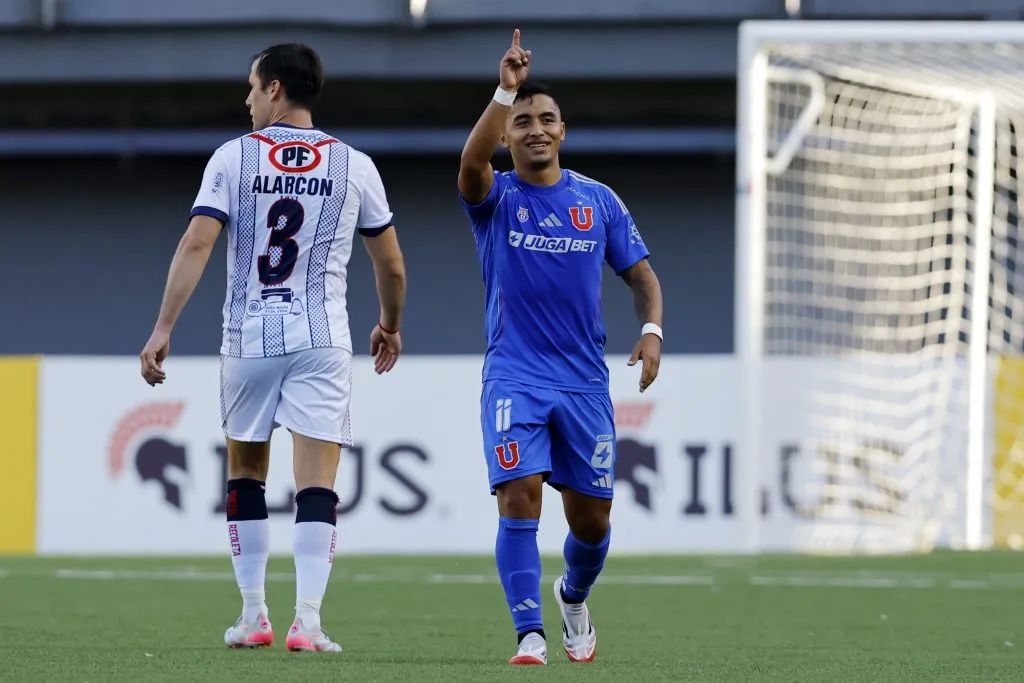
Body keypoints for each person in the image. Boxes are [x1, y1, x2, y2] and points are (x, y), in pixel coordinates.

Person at [139, 43, 407, 654]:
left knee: (246, 474)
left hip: (249, 335)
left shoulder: (232, 158)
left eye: (253, 87)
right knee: (317, 481)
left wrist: (162, 327)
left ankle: (254, 614)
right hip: (322, 340)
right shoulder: (355, 165)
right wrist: (390, 323)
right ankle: (306, 622)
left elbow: (197, 245)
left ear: (277, 90)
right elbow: (389, 264)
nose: (248, 98)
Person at [457, 29, 664, 665]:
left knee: (592, 521)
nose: (536, 129)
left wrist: (652, 331)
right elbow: (469, 165)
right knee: (519, 495)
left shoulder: (597, 201)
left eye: (547, 120)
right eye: (523, 122)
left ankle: (572, 596)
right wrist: (504, 90)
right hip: (514, 377)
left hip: (583, 384)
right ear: (509, 136)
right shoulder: (496, 199)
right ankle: (529, 633)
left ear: (563, 132)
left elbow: (642, 277)